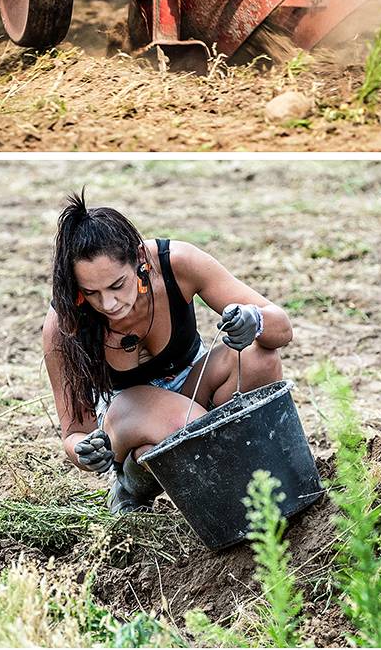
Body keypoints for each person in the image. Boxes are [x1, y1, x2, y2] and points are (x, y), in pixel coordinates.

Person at [43, 193, 294, 513]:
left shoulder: (177, 263)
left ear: (139, 260)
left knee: (261, 359)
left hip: (194, 385)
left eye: (118, 285)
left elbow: (282, 329)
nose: (109, 304)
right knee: (180, 427)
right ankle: (131, 486)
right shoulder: (63, 324)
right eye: (91, 293)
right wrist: (85, 450)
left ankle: (243, 478)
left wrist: (253, 320)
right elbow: (75, 431)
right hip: (128, 417)